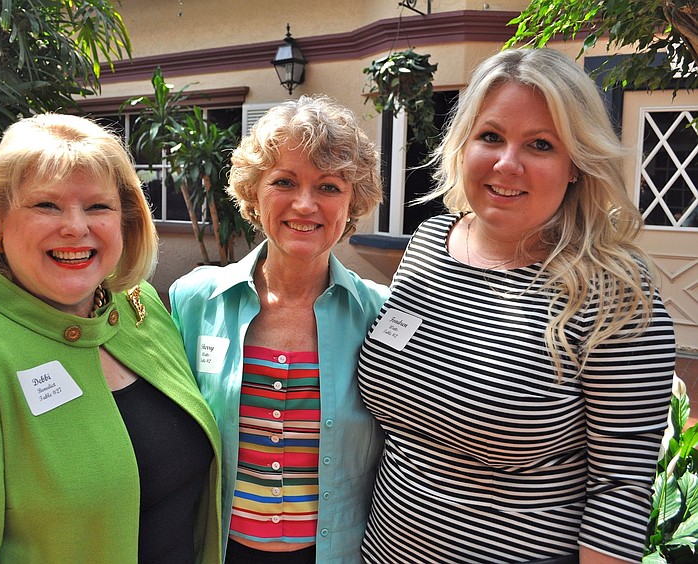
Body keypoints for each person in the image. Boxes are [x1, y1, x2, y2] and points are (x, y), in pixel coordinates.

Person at [357, 48, 677, 564]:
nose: (507, 163)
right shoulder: (429, 241)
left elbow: (621, 487)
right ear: (463, 144)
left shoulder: (615, 292)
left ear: (577, 164)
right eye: (491, 136)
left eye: (540, 144)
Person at [0, 113, 222, 563]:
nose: (76, 227)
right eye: (46, 206)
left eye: (98, 206)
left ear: (125, 221)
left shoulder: (140, 307)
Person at [169, 95, 388, 564]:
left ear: (353, 202)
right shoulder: (194, 302)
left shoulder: (382, 314)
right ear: (253, 193)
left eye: (329, 186)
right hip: (219, 550)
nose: (305, 205)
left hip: (336, 553)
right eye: (284, 182)